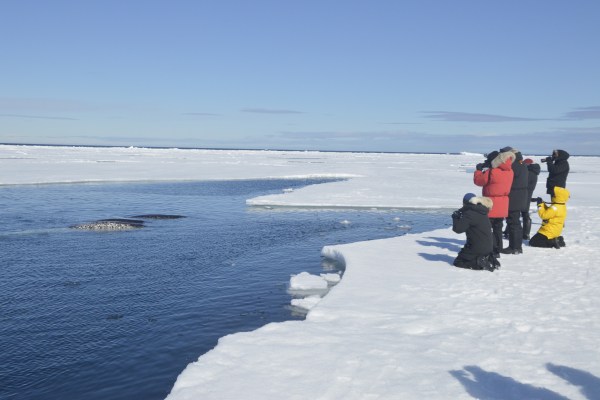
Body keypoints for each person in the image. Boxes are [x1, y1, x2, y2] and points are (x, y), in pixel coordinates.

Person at [473, 149, 514, 258]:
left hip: (491, 203)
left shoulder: (492, 172)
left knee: (488, 228)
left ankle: (491, 249)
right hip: (503, 203)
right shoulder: (510, 171)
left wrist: (478, 171)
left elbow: (479, 181)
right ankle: (498, 249)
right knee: (498, 227)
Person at [452, 193, 499, 271]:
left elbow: (458, 229)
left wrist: (455, 217)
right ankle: (486, 258)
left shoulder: (470, 213)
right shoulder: (482, 212)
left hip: (478, 247)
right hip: (488, 247)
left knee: (458, 262)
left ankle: (478, 263)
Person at [501, 147, 528, 255]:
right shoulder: (522, 164)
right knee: (515, 222)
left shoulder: (514, 166)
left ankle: (514, 247)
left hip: (514, 197)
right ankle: (517, 246)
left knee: (513, 222)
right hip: (520, 196)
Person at [522, 158, 541, 239]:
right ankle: (525, 234)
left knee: (523, 215)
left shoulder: (529, 173)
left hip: (524, 195)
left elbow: (523, 184)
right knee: (523, 214)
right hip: (527, 195)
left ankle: (526, 234)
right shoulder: (533, 172)